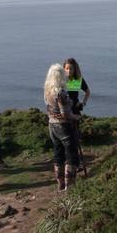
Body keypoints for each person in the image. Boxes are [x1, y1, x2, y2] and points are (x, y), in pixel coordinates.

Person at [43, 62, 81, 191]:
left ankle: (60, 185)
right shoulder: (61, 93)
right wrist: (76, 117)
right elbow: (65, 114)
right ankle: (69, 187)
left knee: (58, 154)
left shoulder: (48, 91)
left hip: (51, 125)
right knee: (71, 155)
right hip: (63, 126)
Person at [63, 58, 89, 176]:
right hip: (64, 111)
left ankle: (76, 163)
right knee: (66, 138)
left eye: (71, 68)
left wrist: (83, 103)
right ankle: (69, 161)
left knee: (74, 138)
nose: (69, 71)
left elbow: (87, 91)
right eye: (67, 68)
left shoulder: (78, 80)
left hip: (74, 110)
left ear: (75, 69)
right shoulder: (61, 80)